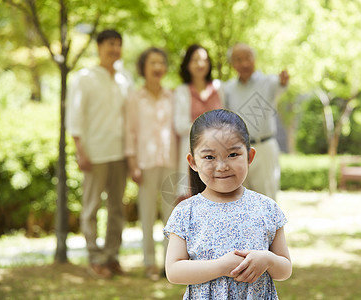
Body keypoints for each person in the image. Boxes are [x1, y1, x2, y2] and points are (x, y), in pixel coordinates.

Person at [164, 109, 292, 299]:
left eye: (233, 154)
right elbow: (174, 271)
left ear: (249, 156)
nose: (222, 166)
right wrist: (220, 267)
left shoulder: (267, 208)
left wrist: (268, 260)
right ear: (193, 162)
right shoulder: (186, 212)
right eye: (209, 157)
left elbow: (285, 269)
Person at [66, 29, 132, 279]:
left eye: (118, 44)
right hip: (94, 153)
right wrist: (79, 150)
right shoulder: (84, 78)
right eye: (110, 44)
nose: (115, 49)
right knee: (91, 207)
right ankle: (95, 257)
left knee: (117, 208)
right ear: (99, 46)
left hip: (121, 153)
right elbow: (75, 116)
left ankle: (112, 256)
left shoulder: (125, 78)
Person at [124, 47, 177, 280]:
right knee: (146, 215)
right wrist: (132, 163)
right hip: (144, 163)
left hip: (170, 161)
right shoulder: (134, 98)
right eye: (152, 63)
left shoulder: (173, 96)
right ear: (143, 68)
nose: (157, 68)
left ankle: (170, 264)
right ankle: (149, 263)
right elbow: (130, 133)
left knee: (172, 216)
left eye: (161, 63)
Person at [224, 43, 289, 200]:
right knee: (239, 201)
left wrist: (283, 81)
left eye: (248, 58)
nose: (244, 63)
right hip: (237, 151)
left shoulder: (269, 82)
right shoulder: (228, 89)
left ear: (254, 59)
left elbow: (281, 85)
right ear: (232, 64)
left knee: (267, 199)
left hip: (264, 147)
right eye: (238, 59)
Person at [173, 44, 223, 199]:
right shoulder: (182, 91)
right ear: (187, 64)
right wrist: (209, 129)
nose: (200, 64)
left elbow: (227, 120)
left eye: (204, 60)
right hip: (192, 152)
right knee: (192, 196)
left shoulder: (218, 88)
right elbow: (179, 125)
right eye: (195, 60)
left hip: (219, 151)